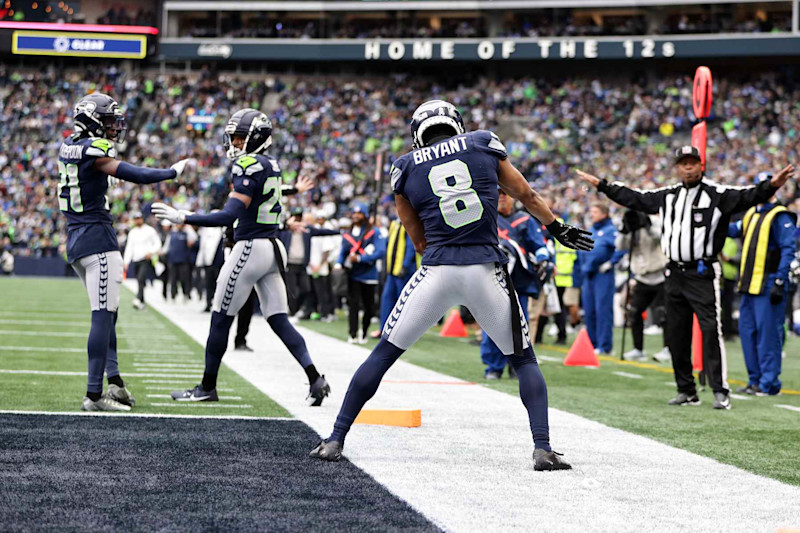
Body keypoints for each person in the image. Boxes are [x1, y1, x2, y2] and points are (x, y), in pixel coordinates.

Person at [310, 99, 593, 470]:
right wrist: (556, 228)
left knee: (383, 354)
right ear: (455, 123)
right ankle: (542, 448)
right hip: (486, 270)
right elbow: (527, 195)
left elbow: (417, 236)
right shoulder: (482, 143)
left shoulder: (405, 167)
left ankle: (335, 439)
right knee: (524, 360)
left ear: (417, 133)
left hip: (439, 270)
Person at [577, 146, 794, 410]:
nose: (688, 168)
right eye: (683, 164)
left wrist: (771, 185)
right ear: (677, 168)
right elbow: (635, 198)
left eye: (692, 163)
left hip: (702, 273)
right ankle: (686, 389)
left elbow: (748, 195)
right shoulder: (667, 196)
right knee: (676, 333)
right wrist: (603, 186)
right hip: (674, 273)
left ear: (701, 165)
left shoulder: (717, 194)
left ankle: (719, 389)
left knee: (710, 330)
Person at [152, 108, 330, 406]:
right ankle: (315, 378)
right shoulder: (270, 164)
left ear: (255, 138)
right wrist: (293, 192)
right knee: (279, 320)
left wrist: (184, 216)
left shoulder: (247, 165)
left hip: (249, 249)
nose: (233, 144)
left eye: (238, 138)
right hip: (272, 249)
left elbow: (229, 215)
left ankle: (207, 387)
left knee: (220, 318)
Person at [58, 92, 190, 411]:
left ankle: (114, 382)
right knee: (103, 316)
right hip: (98, 240)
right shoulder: (96, 149)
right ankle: (93, 396)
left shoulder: (68, 146)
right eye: (107, 121)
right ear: (92, 121)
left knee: (108, 314)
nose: (113, 127)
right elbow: (134, 174)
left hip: (76, 238)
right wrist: (170, 173)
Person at [729, 172, 797, 396]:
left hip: (768, 283)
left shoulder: (780, 216)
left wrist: (780, 279)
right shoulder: (750, 214)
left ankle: (769, 383)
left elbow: (788, 249)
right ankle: (754, 380)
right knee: (747, 333)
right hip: (748, 284)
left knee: (768, 335)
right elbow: (731, 230)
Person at [481, 189, 550, 379]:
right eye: (498, 194)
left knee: (519, 324)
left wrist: (544, 258)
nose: (502, 197)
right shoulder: (486, 218)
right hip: (492, 281)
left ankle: (517, 365)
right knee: (492, 323)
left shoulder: (525, 220)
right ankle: (493, 366)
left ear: (513, 197)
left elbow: (539, 244)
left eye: (505, 194)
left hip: (518, 281)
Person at [617, 211, 671, 362]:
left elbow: (660, 238)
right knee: (634, 312)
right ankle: (638, 349)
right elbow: (620, 246)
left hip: (660, 275)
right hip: (642, 277)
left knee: (664, 314)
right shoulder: (630, 226)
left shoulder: (654, 221)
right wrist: (625, 230)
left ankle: (668, 349)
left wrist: (647, 225)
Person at [335, 203, 384, 344]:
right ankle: (353, 333)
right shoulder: (348, 234)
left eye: (359, 213)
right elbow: (343, 251)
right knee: (353, 305)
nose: (356, 216)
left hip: (369, 275)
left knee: (369, 306)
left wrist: (361, 258)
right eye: (354, 213)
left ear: (365, 215)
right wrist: (339, 263)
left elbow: (380, 252)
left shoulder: (374, 232)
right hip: (353, 274)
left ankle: (364, 331)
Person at [574, 203, 618, 355]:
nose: (591, 214)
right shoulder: (591, 230)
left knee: (602, 310)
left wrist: (610, 263)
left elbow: (622, 248)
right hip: (588, 275)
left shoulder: (610, 231)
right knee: (589, 310)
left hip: (602, 274)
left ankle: (605, 346)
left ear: (604, 214)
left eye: (595, 211)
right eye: (591, 211)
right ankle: (592, 343)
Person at [377, 217, 417, 338]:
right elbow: (388, 244)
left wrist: (405, 265)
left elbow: (411, 246)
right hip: (392, 270)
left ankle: (403, 333)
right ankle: (384, 330)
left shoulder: (410, 222)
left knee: (403, 303)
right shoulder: (394, 223)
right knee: (387, 300)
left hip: (403, 272)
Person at [122, 211, 162, 310]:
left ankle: (138, 299)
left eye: (139, 218)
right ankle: (142, 302)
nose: (137, 221)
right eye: (135, 219)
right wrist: (126, 261)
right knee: (140, 281)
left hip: (145, 258)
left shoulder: (150, 230)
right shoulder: (132, 232)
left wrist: (151, 252)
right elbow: (129, 248)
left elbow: (157, 243)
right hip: (136, 259)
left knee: (141, 278)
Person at [195, 216, 225, 313]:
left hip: (220, 261)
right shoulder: (207, 230)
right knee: (208, 284)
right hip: (209, 261)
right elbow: (203, 246)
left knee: (220, 285)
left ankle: (219, 304)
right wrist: (200, 261)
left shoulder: (223, 229)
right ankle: (208, 303)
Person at [162, 222, 197, 301]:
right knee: (173, 279)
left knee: (183, 279)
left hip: (183, 260)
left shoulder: (186, 233)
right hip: (173, 260)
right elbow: (167, 246)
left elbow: (194, 238)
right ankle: (173, 295)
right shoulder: (171, 234)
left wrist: (188, 227)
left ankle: (186, 294)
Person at [718, 235, 740, 340]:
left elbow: (741, 257)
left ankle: (728, 332)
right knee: (719, 306)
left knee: (728, 306)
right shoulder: (721, 239)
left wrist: (729, 259)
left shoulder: (736, 241)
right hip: (720, 277)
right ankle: (720, 331)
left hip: (730, 278)